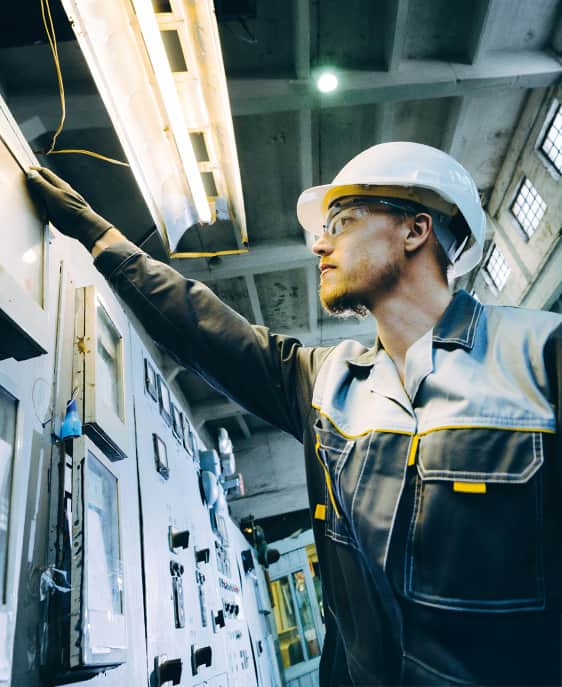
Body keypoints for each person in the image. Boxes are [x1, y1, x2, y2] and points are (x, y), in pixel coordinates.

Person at [27, 142, 561, 686]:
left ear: (415, 230)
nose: (319, 243)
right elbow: (203, 328)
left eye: (343, 221)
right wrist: (102, 239)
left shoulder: (541, 357)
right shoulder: (326, 382)